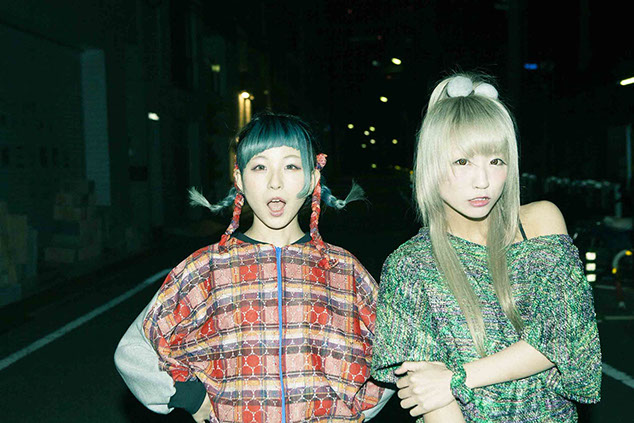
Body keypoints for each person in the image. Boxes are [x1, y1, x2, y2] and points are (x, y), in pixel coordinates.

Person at [115, 112, 390, 422]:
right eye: (260, 167)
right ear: (239, 180)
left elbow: (394, 348)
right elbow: (135, 349)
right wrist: (188, 396)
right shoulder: (207, 269)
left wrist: (358, 410)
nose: (275, 182)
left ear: (313, 178)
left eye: (291, 166)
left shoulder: (342, 269)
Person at [370, 73, 602, 422]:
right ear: (431, 164)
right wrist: (443, 385)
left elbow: (565, 338)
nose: (483, 181)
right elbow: (430, 396)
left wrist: (456, 378)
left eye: (496, 161)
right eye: (462, 162)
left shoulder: (539, 223)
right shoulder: (410, 266)